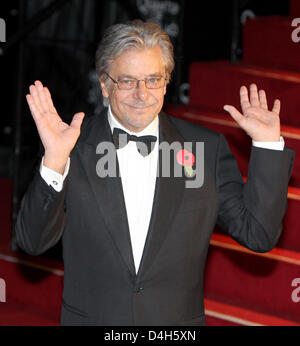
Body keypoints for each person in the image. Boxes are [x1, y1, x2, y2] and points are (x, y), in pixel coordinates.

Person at [16, 20, 294, 326]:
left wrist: (267, 146)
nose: (141, 93)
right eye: (127, 81)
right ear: (105, 85)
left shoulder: (205, 149)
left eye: (153, 79)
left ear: (166, 82)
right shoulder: (72, 147)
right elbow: (32, 242)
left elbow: (259, 233)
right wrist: (55, 160)